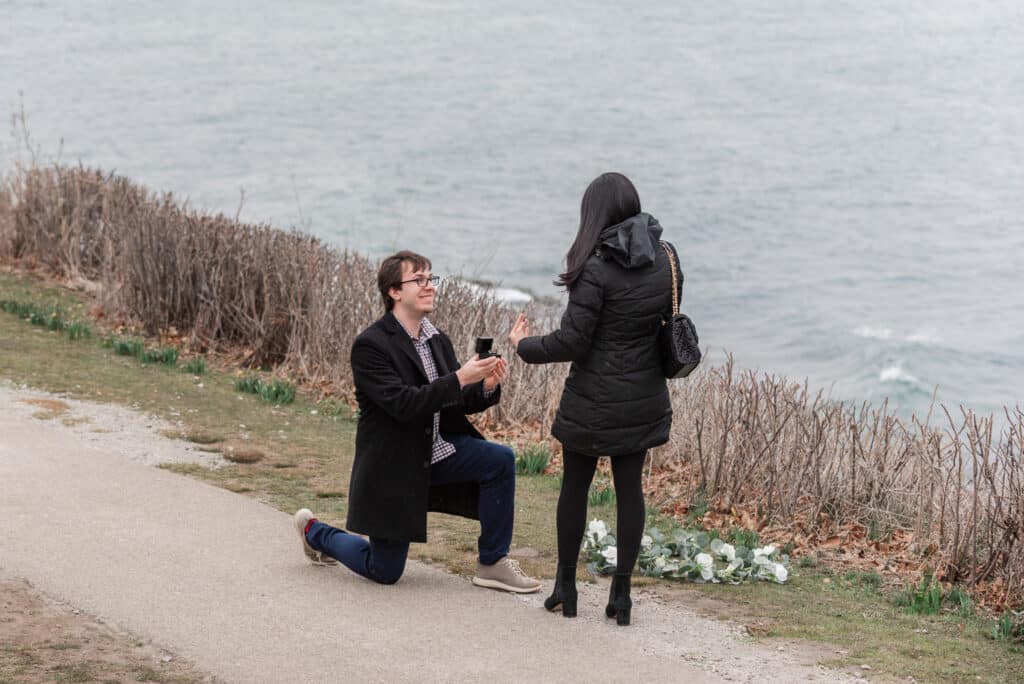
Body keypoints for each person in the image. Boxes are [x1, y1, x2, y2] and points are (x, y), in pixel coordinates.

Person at [294, 250, 541, 593]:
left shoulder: (436, 339)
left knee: (499, 460)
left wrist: (484, 386)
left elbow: (452, 401)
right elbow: (403, 404)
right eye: (419, 280)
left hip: (438, 454)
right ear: (394, 291)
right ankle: (314, 532)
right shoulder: (371, 345)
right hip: (395, 468)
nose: (430, 287)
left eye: (431, 279)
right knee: (384, 571)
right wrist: (459, 377)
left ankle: (492, 563)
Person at [509, 172, 675, 625]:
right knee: (630, 493)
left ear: (595, 214)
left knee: (575, 489)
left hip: (590, 399)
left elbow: (571, 342)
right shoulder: (665, 258)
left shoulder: (595, 267)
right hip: (643, 396)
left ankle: (566, 587)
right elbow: (664, 318)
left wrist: (523, 345)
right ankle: (621, 596)